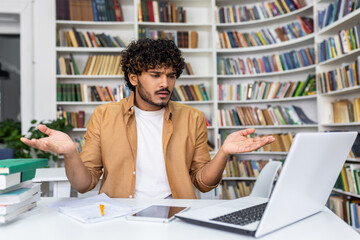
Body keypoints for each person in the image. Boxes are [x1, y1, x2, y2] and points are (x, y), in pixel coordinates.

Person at [21, 39, 274, 199]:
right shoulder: (104, 115)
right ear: (134, 78)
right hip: (119, 217)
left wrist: (224, 153)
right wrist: (70, 153)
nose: (165, 83)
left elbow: (203, 183)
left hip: (177, 214)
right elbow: (85, 184)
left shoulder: (193, 118)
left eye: (171, 75)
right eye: (155, 75)